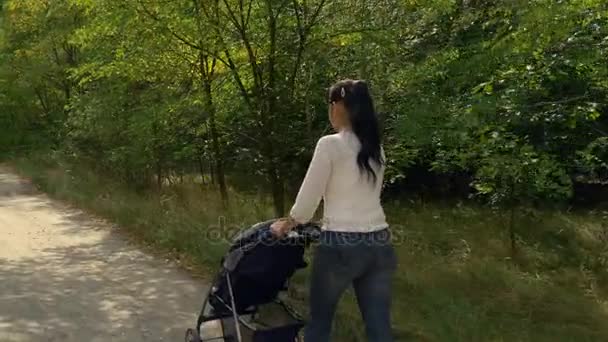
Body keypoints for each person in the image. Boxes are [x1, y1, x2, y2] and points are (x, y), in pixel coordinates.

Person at [271, 79, 397, 342]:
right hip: (380, 242)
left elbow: (309, 197)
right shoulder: (376, 148)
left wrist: (289, 222)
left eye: (330, 104)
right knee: (379, 327)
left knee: (320, 323)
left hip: (341, 245)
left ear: (340, 106)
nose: (329, 110)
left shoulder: (330, 144)